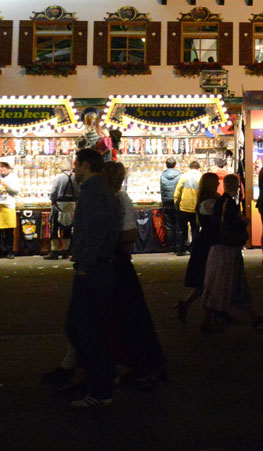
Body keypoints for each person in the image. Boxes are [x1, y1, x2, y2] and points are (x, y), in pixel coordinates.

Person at [65, 148, 121, 409]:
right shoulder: (102, 190)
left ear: (85, 165)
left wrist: (85, 265)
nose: (74, 170)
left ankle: (100, 386)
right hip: (99, 265)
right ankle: (96, 379)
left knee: (85, 327)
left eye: (76, 165)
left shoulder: (93, 192)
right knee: (84, 325)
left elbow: (95, 231)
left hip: (94, 268)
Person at [101, 162, 166, 385]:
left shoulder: (119, 200)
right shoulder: (113, 199)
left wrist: (104, 241)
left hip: (116, 262)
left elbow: (129, 233)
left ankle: (136, 363)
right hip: (114, 261)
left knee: (127, 313)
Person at [200, 174, 263, 334]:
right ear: (236, 186)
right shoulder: (228, 203)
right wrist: (242, 222)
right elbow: (230, 225)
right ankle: (208, 321)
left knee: (233, 282)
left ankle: (253, 315)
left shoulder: (220, 202)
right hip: (227, 247)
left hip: (220, 246)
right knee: (223, 283)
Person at [175, 173, 222, 325]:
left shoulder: (206, 200)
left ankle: (194, 308)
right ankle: (209, 317)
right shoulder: (209, 202)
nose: (217, 183)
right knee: (210, 280)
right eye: (215, 181)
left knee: (206, 282)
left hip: (205, 241)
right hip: (208, 243)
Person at [46, 164, 78, 260]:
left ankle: (54, 251)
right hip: (72, 204)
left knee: (55, 227)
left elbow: (53, 192)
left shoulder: (58, 177)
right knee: (68, 228)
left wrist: (52, 200)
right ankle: (65, 251)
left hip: (59, 204)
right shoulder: (75, 177)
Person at [171, 161, 202, 256]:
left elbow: (177, 193)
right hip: (196, 208)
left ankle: (181, 249)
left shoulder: (184, 177)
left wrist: (176, 204)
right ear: (199, 168)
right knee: (195, 229)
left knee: (181, 229)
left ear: (189, 167)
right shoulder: (201, 177)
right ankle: (194, 249)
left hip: (183, 207)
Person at [158, 157, 182, 255]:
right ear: (175, 165)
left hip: (166, 201)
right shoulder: (180, 175)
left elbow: (162, 188)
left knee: (168, 225)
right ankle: (179, 247)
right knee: (178, 224)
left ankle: (171, 247)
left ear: (166, 165)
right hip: (176, 202)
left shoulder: (162, 175)